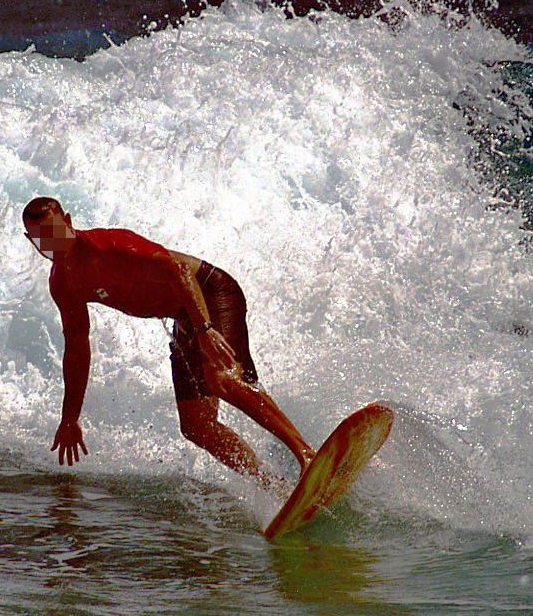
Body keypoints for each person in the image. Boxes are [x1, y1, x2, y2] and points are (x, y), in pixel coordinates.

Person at [21, 196, 315, 488]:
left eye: (54, 233)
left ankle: (306, 455)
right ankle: (275, 486)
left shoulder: (108, 246)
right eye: (41, 240)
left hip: (209, 292)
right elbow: (76, 348)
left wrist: (204, 329)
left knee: (221, 378)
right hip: (187, 317)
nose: (51, 245)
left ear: (68, 222)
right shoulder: (62, 284)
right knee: (196, 426)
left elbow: (178, 269)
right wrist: (70, 418)